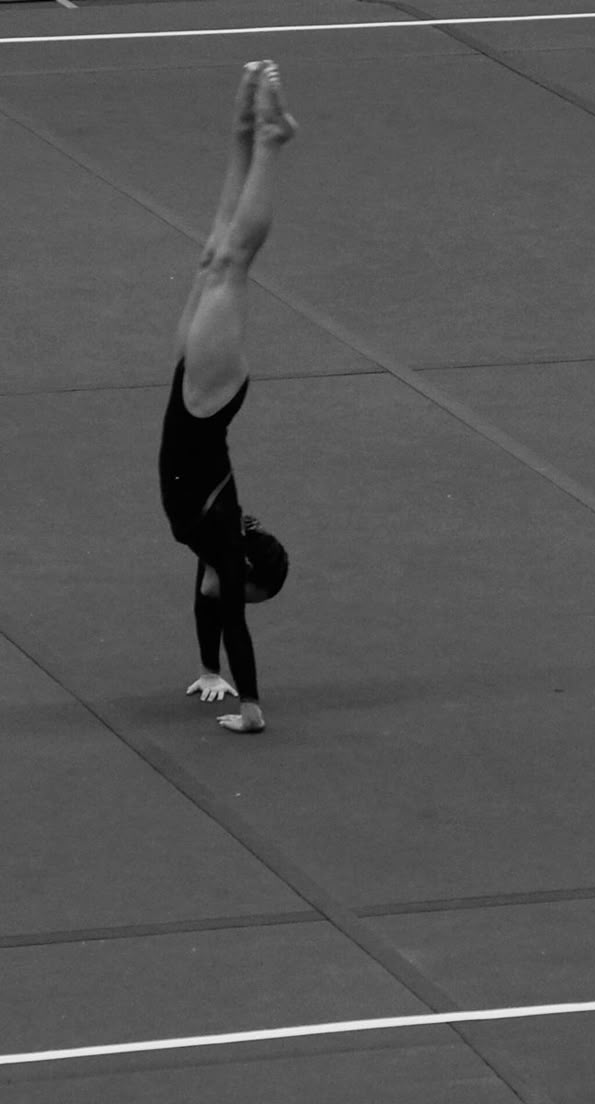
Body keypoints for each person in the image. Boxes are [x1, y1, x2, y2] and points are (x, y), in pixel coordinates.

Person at [158, 60, 296, 733]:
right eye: (247, 595)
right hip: (208, 400)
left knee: (213, 254)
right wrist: (251, 709)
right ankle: (270, 139)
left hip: (195, 391)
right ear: (245, 579)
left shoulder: (214, 554)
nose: (230, 598)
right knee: (235, 260)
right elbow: (232, 620)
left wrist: (209, 670)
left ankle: (242, 128)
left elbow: (208, 604)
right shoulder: (220, 540)